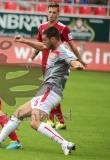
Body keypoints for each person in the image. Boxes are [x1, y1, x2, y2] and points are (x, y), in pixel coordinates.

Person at [0, 27, 85, 155]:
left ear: (53, 39)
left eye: (45, 40)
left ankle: (65, 143)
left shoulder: (63, 52)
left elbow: (72, 60)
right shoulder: (52, 47)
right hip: (46, 91)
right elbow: (41, 46)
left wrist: (77, 64)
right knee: (19, 113)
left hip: (51, 91)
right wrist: (24, 40)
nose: (43, 42)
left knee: (35, 122)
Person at [28, 2, 85, 130]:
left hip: (58, 66)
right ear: (47, 12)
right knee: (49, 91)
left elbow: (72, 46)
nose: (51, 15)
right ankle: (54, 120)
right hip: (45, 64)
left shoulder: (64, 29)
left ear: (58, 14)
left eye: (54, 12)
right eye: (49, 12)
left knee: (52, 91)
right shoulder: (42, 27)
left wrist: (80, 60)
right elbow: (39, 44)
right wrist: (31, 57)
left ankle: (57, 120)